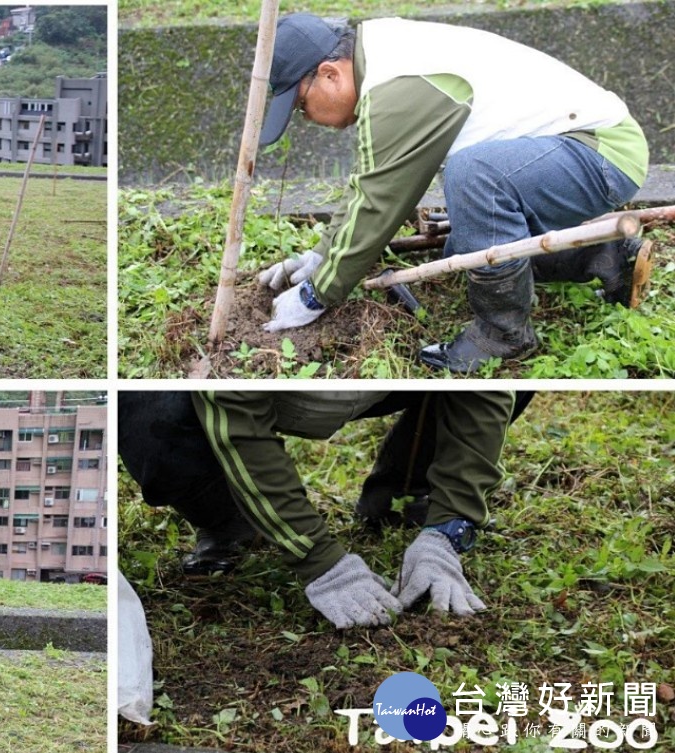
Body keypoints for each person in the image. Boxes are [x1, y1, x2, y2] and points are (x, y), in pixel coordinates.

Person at [256, 14, 651, 372]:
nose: (307, 118)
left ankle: (503, 335)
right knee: (467, 250)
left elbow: (382, 200)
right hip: (572, 152)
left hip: (600, 152)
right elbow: (370, 182)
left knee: (474, 173)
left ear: (329, 74)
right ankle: (605, 257)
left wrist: (317, 293)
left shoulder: (396, 85)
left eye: (301, 106)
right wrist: (321, 254)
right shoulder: (381, 60)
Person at [119, 391, 523, 629]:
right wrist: (319, 560)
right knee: (149, 414)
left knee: (495, 375)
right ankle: (229, 520)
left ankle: (404, 493)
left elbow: (484, 396)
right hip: (235, 400)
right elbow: (240, 431)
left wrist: (448, 527)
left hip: (377, 387)